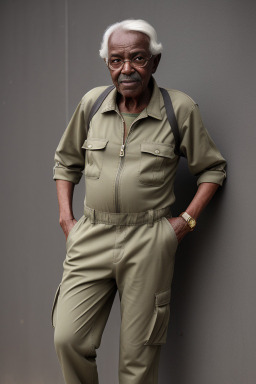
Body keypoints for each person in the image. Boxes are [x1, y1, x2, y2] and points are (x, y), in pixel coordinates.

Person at [52, 19, 226, 384]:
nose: (126, 68)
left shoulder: (178, 108)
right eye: (116, 60)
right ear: (107, 64)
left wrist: (185, 222)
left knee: (138, 358)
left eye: (137, 58)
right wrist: (68, 221)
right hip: (91, 236)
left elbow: (212, 169)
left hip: (149, 240)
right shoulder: (92, 104)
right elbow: (66, 162)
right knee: (68, 338)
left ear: (154, 63)